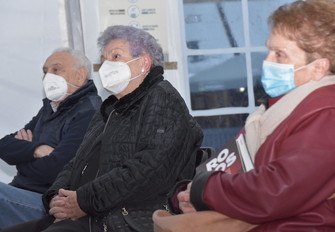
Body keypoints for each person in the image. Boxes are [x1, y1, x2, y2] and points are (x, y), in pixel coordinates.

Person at [2, 25, 203, 232]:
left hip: (126, 218)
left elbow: (147, 170)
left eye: (115, 56)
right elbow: (75, 163)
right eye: (104, 59)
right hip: (91, 212)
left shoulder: (163, 100)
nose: (107, 65)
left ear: (143, 63)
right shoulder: (110, 109)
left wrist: (82, 201)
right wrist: (54, 197)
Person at [170, 0, 335, 231]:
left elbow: (277, 191)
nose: (267, 61)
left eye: (279, 54)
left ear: (319, 67)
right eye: (269, 50)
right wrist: (186, 193)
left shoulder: (332, 113)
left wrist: (202, 190)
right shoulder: (285, 107)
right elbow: (236, 166)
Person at [0, 47, 102, 229]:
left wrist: (21, 158)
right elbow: (4, 146)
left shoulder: (89, 112)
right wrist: (37, 150)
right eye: (45, 72)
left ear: (80, 75)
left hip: (46, 203)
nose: (48, 76)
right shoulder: (51, 108)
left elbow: (56, 170)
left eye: (56, 69)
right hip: (21, 191)